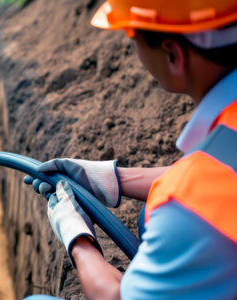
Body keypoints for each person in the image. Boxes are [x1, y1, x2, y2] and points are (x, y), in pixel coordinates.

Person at [24, 0, 237, 299]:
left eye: (133, 40)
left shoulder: (188, 212)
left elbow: (115, 297)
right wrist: (113, 179)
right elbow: (222, 175)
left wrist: (78, 239)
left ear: (173, 54)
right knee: (147, 215)